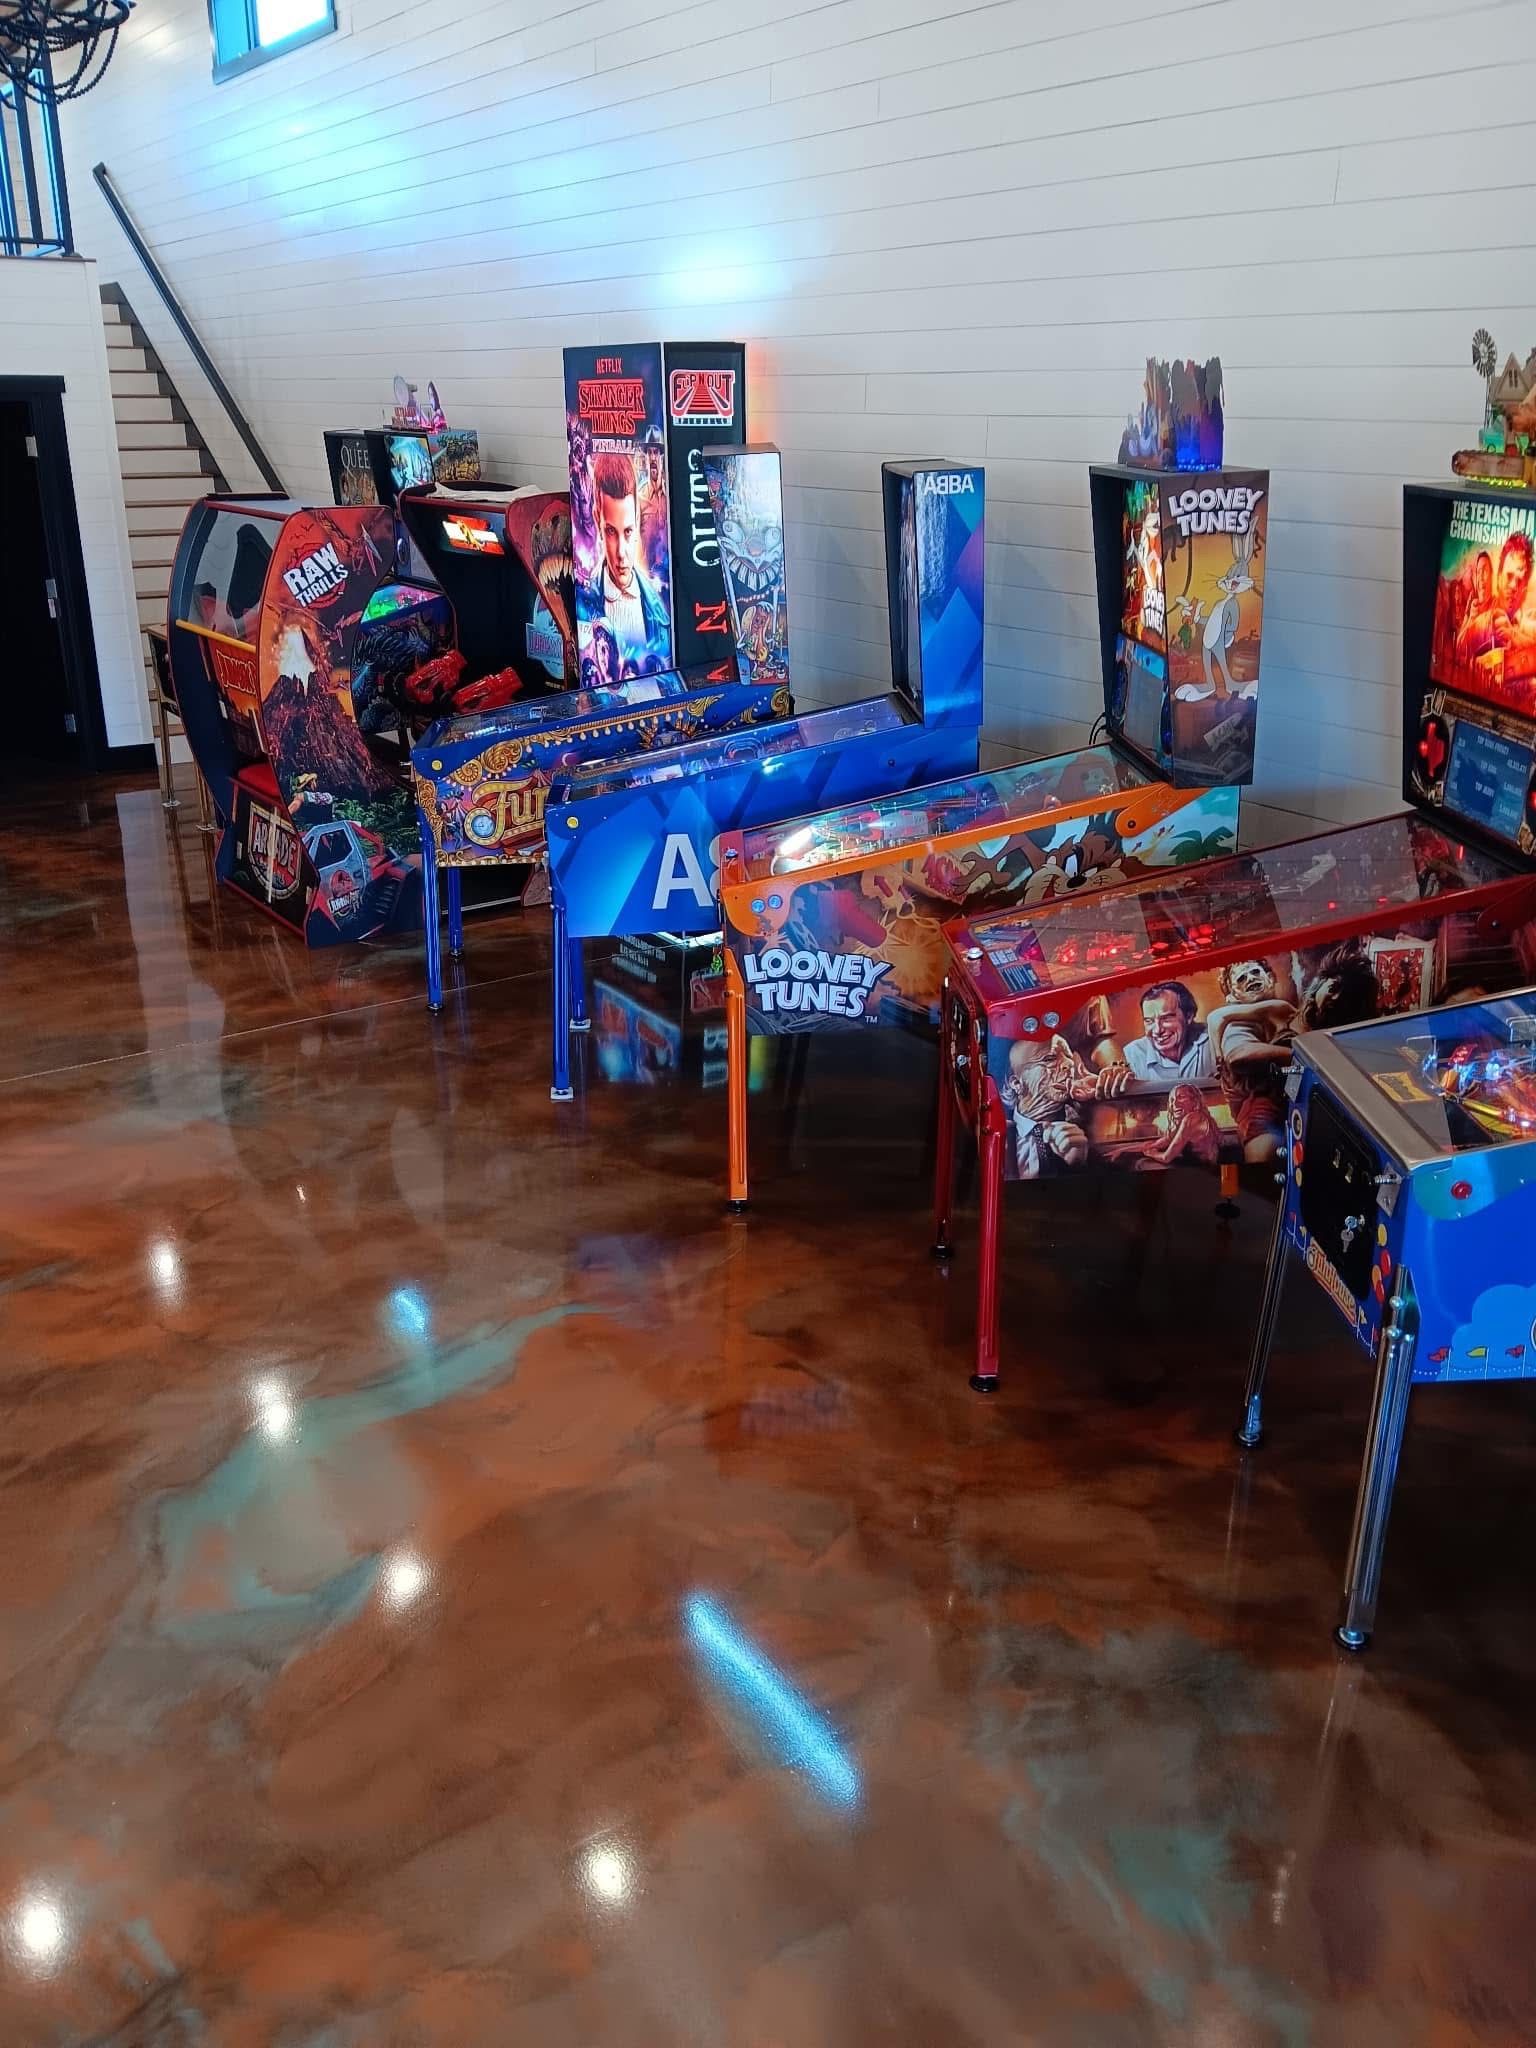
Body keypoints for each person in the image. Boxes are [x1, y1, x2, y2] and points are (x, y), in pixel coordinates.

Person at [1207, 958, 1297, 1163]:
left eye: (1255, 972)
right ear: (1232, 996)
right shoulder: (1237, 1024)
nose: (1250, 979)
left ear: (1270, 978)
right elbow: (1239, 1055)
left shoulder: (1276, 1012)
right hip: (1263, 1118)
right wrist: (1303, 1057)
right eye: (1241, 978)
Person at [586, 451, 669, 667]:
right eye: (611, 532)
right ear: (597, 520)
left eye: (629, 531)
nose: (621, 553)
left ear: (638, 518)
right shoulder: (586, 600)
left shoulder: (659, 610)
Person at [1120, 980, 1213, 1082]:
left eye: (1166, 1018)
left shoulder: (1213, 1041)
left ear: (1188, 1016)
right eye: (1149, 1021)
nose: (1157, 1030)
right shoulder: (1133, 1054)